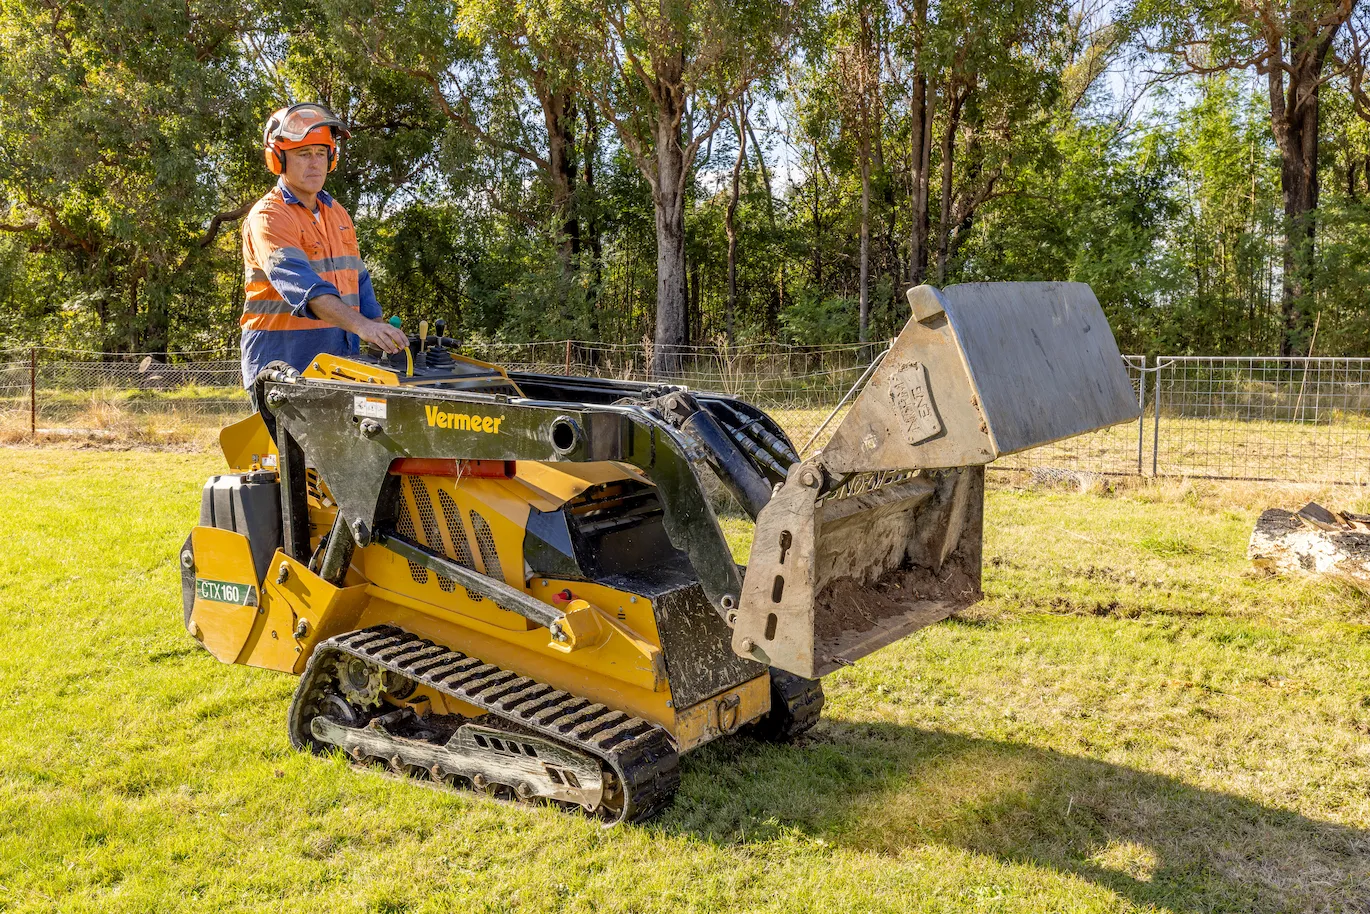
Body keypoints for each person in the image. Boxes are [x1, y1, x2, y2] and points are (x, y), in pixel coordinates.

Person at [239, 103, 408, 403]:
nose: (314, 163)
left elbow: (359, 280)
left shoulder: (337, 214)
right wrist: (363, 327)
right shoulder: (269, 217)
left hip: (339, 364)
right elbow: (307, 290)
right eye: (303, 154)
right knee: (285, 452)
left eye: (321, 153)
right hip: (283, 366)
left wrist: (379, 327)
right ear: (278, 159)